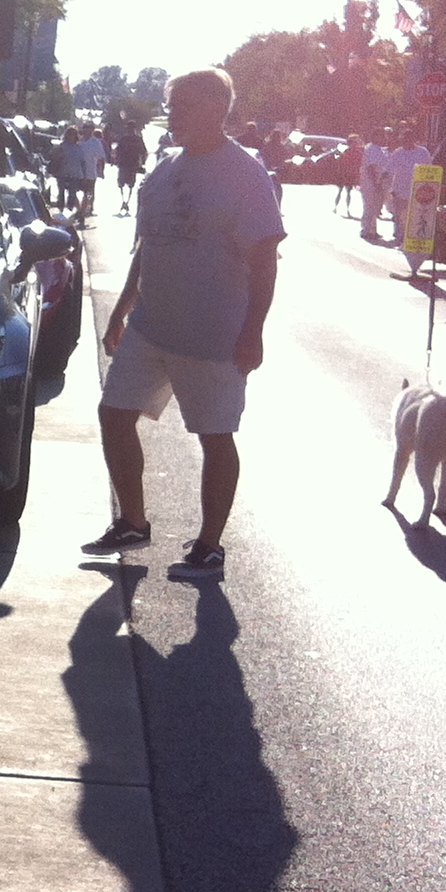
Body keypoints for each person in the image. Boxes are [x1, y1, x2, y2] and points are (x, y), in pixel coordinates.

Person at [82, 66, 284, 584]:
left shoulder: (245, 173)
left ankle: (210, 547)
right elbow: (149, 244)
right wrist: (123, 309)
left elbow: (264, 258)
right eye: (172, 105)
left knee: (214, 436)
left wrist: (253, 331)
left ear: (218, 108)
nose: (173, 114)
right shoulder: (166, 167)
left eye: (184, 105)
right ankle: (132, 523)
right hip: (151, 326)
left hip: (213, 335)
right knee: (113, 415)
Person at [358, 127, 392, 242]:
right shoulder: (372, 148)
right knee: (369, 207)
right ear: (376, 136)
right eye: (382, 135)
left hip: (378, 183)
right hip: (371, 184)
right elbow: (371, 167)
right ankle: (366, 230)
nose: (384, 138)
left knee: (375, 208)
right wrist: (375, 182)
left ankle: (372, 230)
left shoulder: (378, 149)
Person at [72, 122, 109, 221]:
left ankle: (83, 212)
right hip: (78, 172)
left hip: (90, 172)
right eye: (85, 128)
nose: (87, 130)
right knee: (73, 192)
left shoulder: (96, 142)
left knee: (88, 193)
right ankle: (79, 209)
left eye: (89, 128)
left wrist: (101, 170)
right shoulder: (78, 141)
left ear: (92, 130)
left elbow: (101, 157)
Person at [110, 120, 148, 211]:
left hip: (132, 164)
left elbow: (143, 152)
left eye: (131, 128)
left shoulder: (137, 139)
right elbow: (117, 150)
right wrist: (115, 160)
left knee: (131, 184)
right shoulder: (124, 139)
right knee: (121, 183)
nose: (130, 130)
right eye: (129, 128)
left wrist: (142, 162)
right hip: (123, 164)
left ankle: (127, 201)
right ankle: (123, 200)